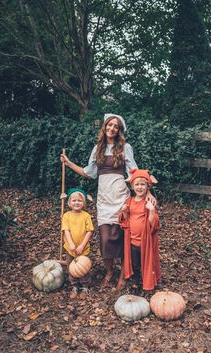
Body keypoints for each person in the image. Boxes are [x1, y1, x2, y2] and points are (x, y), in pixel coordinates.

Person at [61, 113, 155, 290]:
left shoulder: (125, 147)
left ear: (119, 130)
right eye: (109, 125)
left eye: (116, 126)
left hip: (121, 198)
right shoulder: (97, 149)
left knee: (121, 237)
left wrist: (147, 190)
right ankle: (109, 271)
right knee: (105, 239)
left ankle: (122, 274)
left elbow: (134, 172)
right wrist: (69, 163)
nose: (112, 129)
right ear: (104, 127)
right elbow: (89, 172)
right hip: (104, 200)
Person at [118, 169, 161, 291]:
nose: (139, 187)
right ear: (132, 186)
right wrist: (123, 211)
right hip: (132, 240)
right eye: (137, 184)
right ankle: (136, 282)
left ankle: (150, 282)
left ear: (148, 186)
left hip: (145, 240)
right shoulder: (129, 201)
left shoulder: (149, 202)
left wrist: (152, 211)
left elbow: (154, 225)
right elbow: (123, 221)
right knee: (135, 263)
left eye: (143, 184)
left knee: (147, 262)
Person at [61, 188, 94, 298]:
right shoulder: (66, 216)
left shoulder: (86, 216)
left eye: (79, 201)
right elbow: (66, 230)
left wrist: (81, 245)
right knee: (72, 268)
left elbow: (89, 231)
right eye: (74, 201)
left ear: (84, 203)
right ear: (69, 203)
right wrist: (71, 243)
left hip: (83, 249)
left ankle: (85, 287)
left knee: (83, 268)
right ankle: (74, 286)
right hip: (70, 249)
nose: (76, 203)